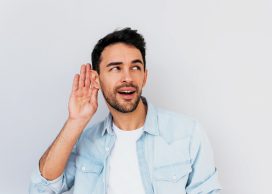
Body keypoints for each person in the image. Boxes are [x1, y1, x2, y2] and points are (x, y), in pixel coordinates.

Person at [29, 27, 221, 194]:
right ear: (96, 79)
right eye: (116, 68)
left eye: (135, 67)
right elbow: (40, 189)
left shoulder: (187, 134)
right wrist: (75, 121)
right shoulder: (85, 142)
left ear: (145, 77)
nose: (127, 78)